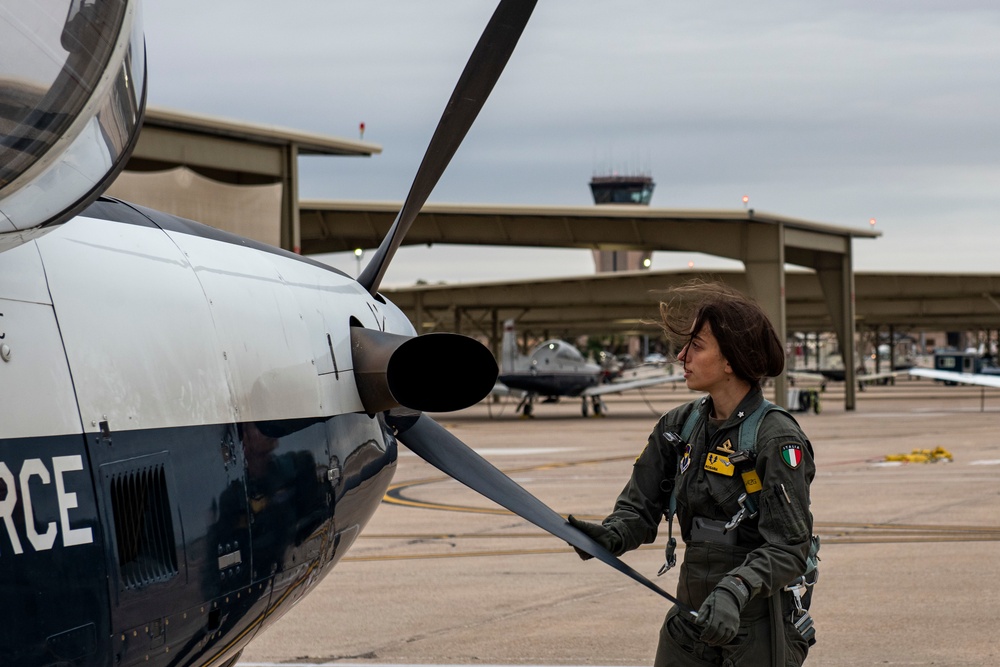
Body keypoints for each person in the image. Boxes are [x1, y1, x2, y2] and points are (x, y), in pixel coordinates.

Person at [568, 281, 817, 666]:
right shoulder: (678, 427)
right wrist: (612, 534)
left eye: (696, 346)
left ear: (732, 360)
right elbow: (640, 510)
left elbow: (789, 548)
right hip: (690, 620)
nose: (682, 355)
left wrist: (735, 589)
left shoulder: (776, 438)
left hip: (754, 625)